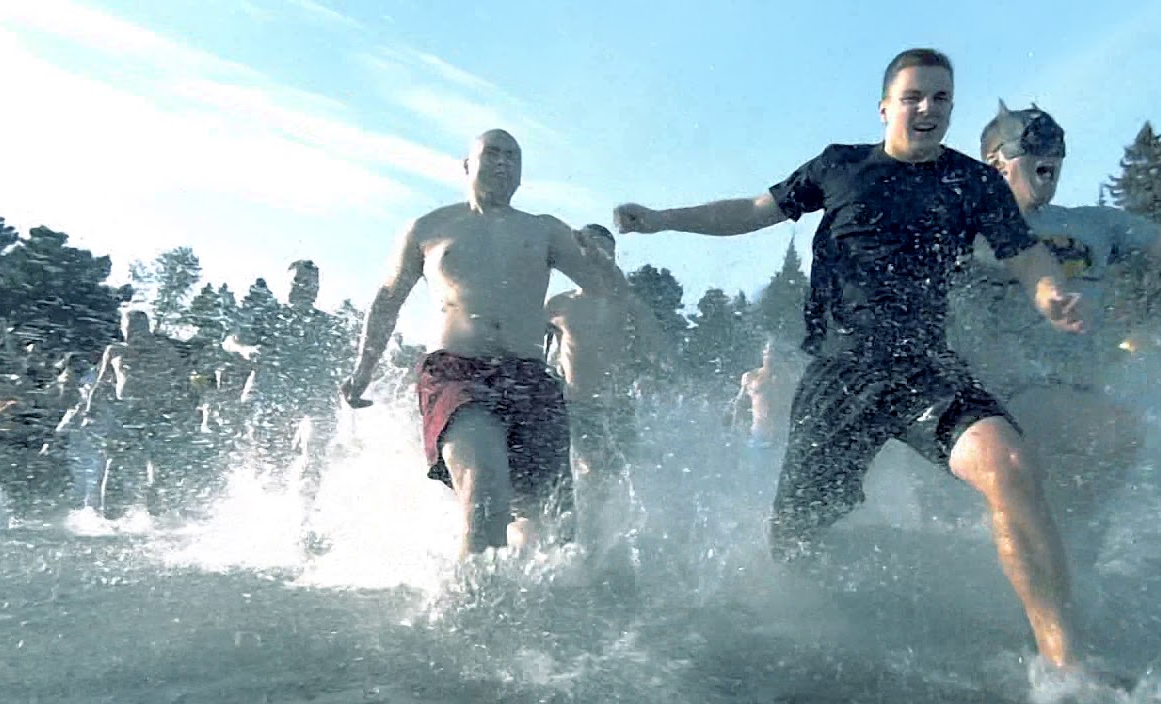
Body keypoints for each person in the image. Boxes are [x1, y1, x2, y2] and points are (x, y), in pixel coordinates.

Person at [615, 48, 1090, 671]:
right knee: (795, 541)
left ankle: (1065, 665)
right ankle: (813, 640)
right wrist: (660, 220)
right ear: (886, 106)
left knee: (1012, 468)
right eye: (915, 97)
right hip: (841, 375)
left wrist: (1050, 293)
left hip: (925, 368)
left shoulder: (971, 182)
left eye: (941, 98)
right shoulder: (840, 167)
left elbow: (1024, 253)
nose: (928, 109)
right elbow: (753, 211)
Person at [948, 102, 1161, 539]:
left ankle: (1066, 552)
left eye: (1055, 144)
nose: (1049, 151)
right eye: (1033, 143)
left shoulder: (1094, 224)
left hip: (1080, 389)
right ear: (996, 161)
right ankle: (1058, 544)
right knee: (1113, 432)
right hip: (1001, 393)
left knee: (1112, 451)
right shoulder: (964, 226)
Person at [342, 129, 631, 560]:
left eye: (513, 156)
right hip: (458, 371)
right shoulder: (429, 228)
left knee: (555, 519)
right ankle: (472, 613)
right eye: (492, 153)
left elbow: (608, 292)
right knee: (484, 494)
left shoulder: (543, 230)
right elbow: (387, 301)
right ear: (466, 165)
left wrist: (603, 264)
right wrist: (362, 373)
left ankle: (545, 612)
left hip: (529, 377)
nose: (503, 162)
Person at [545, 224, 667, 485]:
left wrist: (654, 373)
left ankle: (613, 524)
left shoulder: (629, 304)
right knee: (590, 471)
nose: (596, 259)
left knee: (627, 478)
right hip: (575, 405)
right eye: (589, 251)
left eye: (604, 253)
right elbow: (535, 350)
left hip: (619, 405)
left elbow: (657, 350)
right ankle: (581, 523)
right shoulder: (559, 305)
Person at [84, 309, 197, 517]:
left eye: (139, 329)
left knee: (158, 466)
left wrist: (185, 412)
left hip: (159, 413)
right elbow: (101, 384)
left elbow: (183, 383)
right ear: (122, 329)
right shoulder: (115, 351)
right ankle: (110, 516)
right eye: (129, 329)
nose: (134, 334)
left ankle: (156, 514)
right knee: (115, 462)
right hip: (128, 414)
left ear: (148, 329)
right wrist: (89, 412)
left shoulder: (164, 351)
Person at [727, 337, 799, 464]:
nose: (770, 356)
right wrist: (737, 430)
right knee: (755, 469)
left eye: (774, 353)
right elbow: (739, 405)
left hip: (782, 432)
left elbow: (793, 402)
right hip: (758, 431)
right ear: (763, 353)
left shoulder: (787, 377)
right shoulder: (751, 376)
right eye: (767, 351)